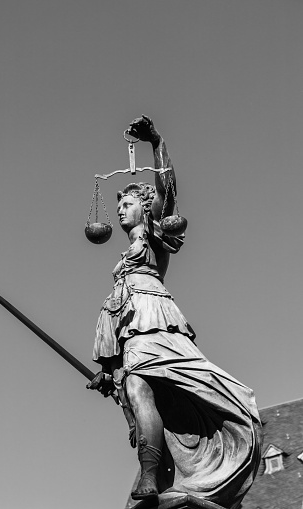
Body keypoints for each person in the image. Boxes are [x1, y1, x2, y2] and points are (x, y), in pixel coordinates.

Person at [87, 116, 262, 509]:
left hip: (158, 323)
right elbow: (116, 317)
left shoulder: (154, 237)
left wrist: (156, 141)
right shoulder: (120, 267)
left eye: (127, 203)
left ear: (145, 208)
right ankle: (150, 474)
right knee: (135, 388)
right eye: (117, 204)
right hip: (130, 334)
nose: (119, 210)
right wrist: (108, 368)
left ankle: (157, 471)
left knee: (145, 388)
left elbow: (168, 187)